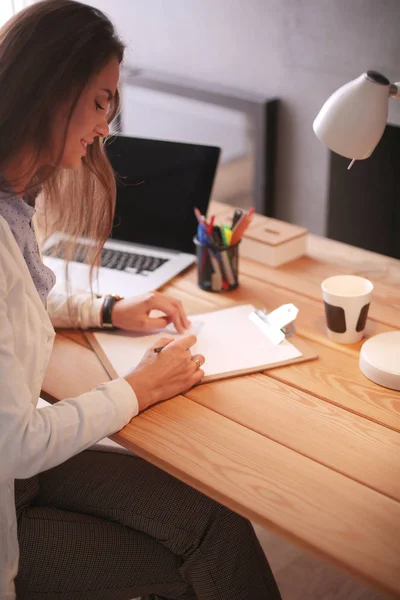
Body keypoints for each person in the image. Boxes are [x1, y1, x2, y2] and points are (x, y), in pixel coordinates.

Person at [0, 1, 282, 599]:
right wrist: (140, 388)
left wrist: (106, 310)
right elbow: (18, 444)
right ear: (52, 87)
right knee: (212, 542)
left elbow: (14, 303)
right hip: (12, 503)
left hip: (21, 477)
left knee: (215, 518)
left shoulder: (12, 202)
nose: (107, 127)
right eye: (102, 101)